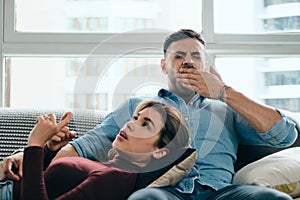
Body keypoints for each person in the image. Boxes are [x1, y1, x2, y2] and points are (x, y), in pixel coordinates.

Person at [0, 29, 298, 200]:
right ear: (163, 65)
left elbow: (285, 135)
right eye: (178, 56)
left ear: (207, 65)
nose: (188, 62)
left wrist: (225, 92)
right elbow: (84, 146)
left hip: (220, 193)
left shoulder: (226, 108)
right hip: (164, 192)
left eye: (196, 56)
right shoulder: (136, 108)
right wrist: (28, 160)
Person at [16, 100, 191, 199]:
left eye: (145, 125)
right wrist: (50, 151)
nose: (130, 124)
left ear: (160, 151)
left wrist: (35, 144)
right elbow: (47, 184)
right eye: (136, 118)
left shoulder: (116, 177)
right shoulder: (110, 166)